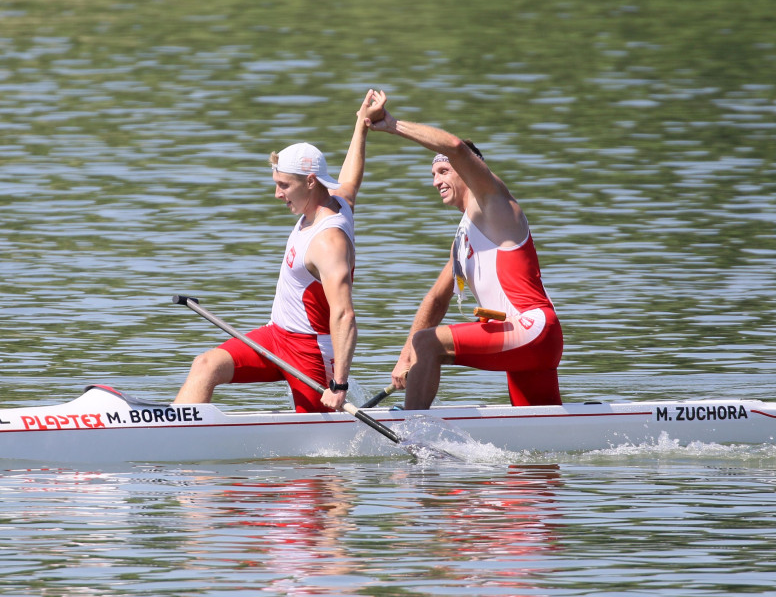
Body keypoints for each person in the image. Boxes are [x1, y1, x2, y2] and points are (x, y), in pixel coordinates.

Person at [174, 90, 387, 412]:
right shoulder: (337, 201)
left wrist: (340, 383)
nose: (277, 194)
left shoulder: (329, 241)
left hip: (311, 352)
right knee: (206, 365)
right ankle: (174, 441)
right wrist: (361, 125)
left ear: (312, 181)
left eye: (284, 185)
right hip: (276, 336)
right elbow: (351, 180)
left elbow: (344, 314)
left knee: (312, 453)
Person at [366, 95, 563, 409]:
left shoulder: (494, 203)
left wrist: (392, 125)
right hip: (521, 340)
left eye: (444, 171)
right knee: (538, 439)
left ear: (469, 171)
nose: (436, 181)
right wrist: (405, 357)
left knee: (427, 343)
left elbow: (456, 147)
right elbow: (436, 300)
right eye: (433, 175)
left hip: (533, 329)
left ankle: (412, 436)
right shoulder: (461, 241)